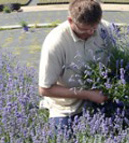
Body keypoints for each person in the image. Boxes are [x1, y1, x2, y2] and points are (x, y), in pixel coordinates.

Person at [38, 0, 111, 128]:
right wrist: (88, 94)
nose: (90, 33)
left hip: (101, 96)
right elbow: (45, 89)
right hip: (66, 106)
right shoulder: (55, 42)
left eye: (94, 28)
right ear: (70, 21)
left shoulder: (106, 29)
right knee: (63, 138)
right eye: (84, 30)